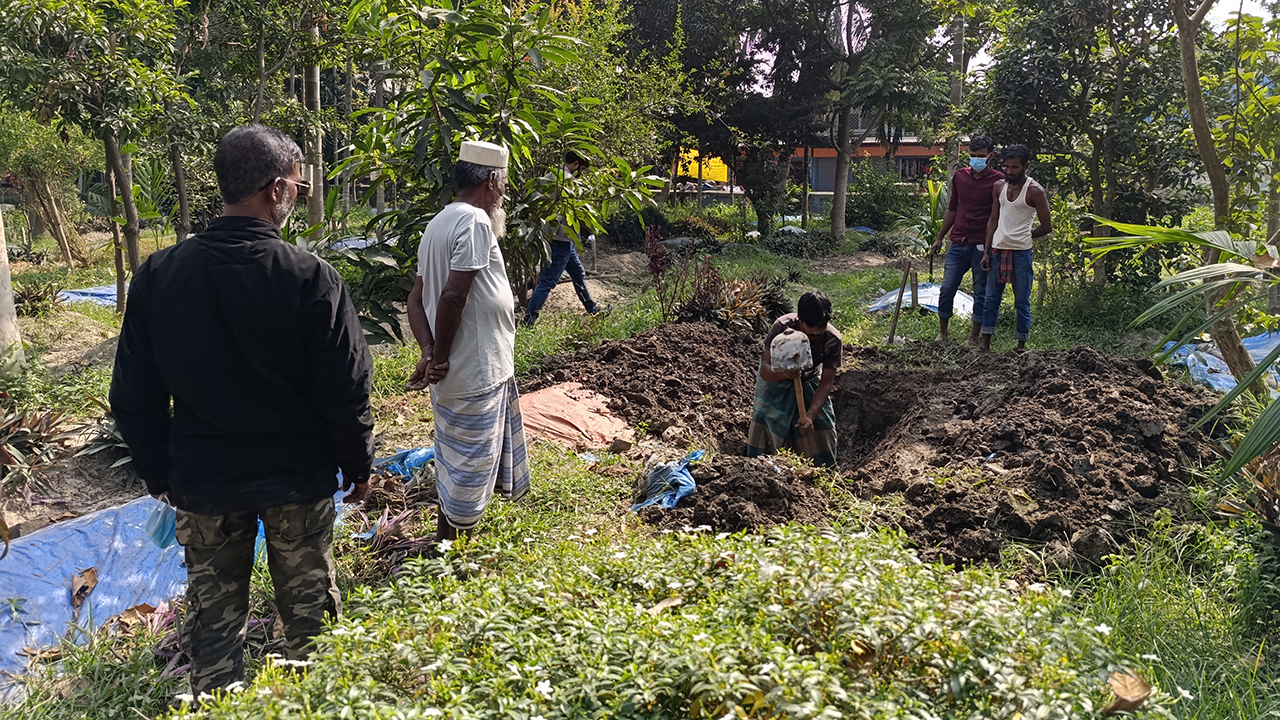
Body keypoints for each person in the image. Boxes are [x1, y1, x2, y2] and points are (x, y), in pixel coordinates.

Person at [110, 124, 375, 695]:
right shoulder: (310, 279)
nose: (297, 201)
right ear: (276, 190)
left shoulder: (159, 276)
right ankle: (313, 703)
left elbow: (133, 395)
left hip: (204, 483)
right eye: (298, 190)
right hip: (297, 483)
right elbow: (345, 388)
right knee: (311, 625)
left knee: (214, 622)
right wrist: (357, 463)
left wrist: (161, 473)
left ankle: (217, 699)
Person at [407, 140, 531, 543]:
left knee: (452, 461)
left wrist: (429, 353)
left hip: (457, 371)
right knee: (470, 471)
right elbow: (452, 296)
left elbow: (416, 296)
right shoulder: (475, 222)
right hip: (473, 369)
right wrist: (439, 356)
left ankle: (446, 543)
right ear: (492, 180)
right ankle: (454, 555)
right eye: (504, 184)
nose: (505, 193)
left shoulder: (439, 221)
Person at [745, 291, 842, 468]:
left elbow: (827, 382)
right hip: (776, 376)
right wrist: (787, 374)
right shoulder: (781, 328)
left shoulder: (832, 339)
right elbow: (765, 371)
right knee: (764, 419)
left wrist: (811, 416)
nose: (817, 334)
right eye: (811, 333)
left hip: (809, 379)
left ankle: (822, 470)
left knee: (823, 427)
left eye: (821, 329)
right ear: (800, 320)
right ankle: (759, 468)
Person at [931, 136, 1004, 346]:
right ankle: (943, 333)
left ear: (991, 156)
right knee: (947, 288)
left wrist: (989, 249)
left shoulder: (998, 181)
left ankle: (973, 337)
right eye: (972, 156)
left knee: (980, 291)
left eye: (981, 156)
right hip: (958, 242)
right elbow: (952, 208)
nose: (976, 160)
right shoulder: (960, 177)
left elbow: (996, 217)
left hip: (982, 245)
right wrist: (939, 237)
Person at [980, 144, 1052, 352]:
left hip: (1021, 252)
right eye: (1006, 167)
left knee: (1021, 301)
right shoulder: (999, 187)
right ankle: (985, 343)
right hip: (997, 250)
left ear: (1026, 166)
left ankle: (1020, 345)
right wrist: (986, 251)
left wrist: (1026, 236)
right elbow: (993, 219)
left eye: (1015, 167)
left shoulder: (1035, 191)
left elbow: (1047, 226)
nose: (1010, 172)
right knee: (991, 298)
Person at [522, 150, 604, 326]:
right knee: (547, 281)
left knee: (578, 273)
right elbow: (576, 211)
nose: (581, 173)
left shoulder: (550, 176)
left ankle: (592, 308)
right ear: (574, 164)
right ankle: (528, 321)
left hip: (556, 237)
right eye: (580, 169)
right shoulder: (567, 183)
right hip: (562, 239)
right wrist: (590, 226)